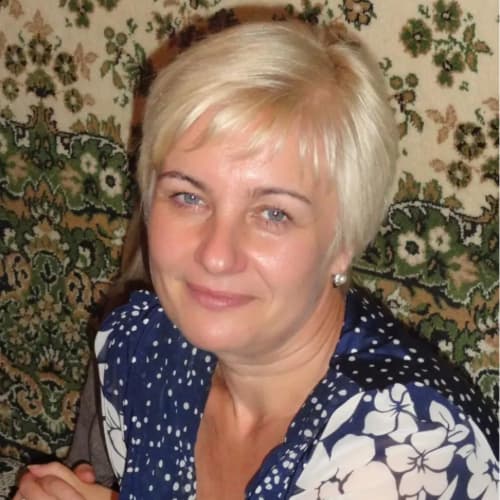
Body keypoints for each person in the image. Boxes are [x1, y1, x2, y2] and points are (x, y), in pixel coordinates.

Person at [15, 20, 498, 500]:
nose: (216, 255)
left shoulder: (405, 452)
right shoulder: (143, 348)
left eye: (273, 213)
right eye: (188, 197)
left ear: (343, 242)